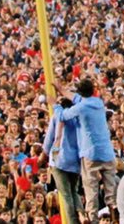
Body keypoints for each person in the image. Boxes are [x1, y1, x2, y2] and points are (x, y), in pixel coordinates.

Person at [61, 78, 119, 217]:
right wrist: (62, 89)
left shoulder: (80, 107)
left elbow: (64, 115)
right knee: (111, 191)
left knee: (91, 190)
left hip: (90, 153)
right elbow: (77, 98)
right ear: (93, 91)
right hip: (107, 152)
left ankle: (92, 218)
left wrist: (55, 105)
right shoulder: (98, 103)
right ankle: (115, 213)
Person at [44, 92, 85, 224]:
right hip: (75, 161)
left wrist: (44, 153)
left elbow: (50, 138)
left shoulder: (57, 116)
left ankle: (72, 221)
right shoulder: (79, 118)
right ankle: (82, 215)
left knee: (66, 194)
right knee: (74, 191)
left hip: (59, 160)